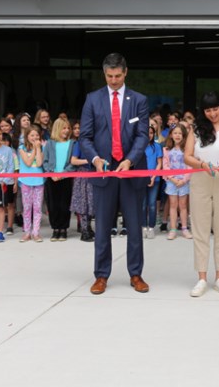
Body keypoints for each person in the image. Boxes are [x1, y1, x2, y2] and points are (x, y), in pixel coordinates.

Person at [79, 53, 151, 295]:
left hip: (131, 172)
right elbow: (85, 137)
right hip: (103, 173)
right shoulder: (92, 99)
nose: (113, 80)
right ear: (104, 74)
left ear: (125, 72)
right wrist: (95, 159)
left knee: (134, 225)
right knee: (102, 227)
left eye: (118, 76)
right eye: (109, 76)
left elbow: (143, 135)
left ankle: (136, 274)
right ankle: (101, 275)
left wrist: (130, 160)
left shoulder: (139, 100)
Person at [183, 92, 219, 297]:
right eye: (208, 110)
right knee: (200, 229)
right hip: (200, 179)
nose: (212, 113)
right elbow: (187, 156)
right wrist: (201, 164)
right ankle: (201, 278)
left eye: (215, 108)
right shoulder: (196, 129)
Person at [163, 124, 192, 241]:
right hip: (171, 181)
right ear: (171, 135)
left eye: (180, 133)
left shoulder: (187, 149)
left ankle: (184, 228)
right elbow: (165, 165)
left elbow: (190, 166)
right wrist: (173, 178)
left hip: (184, 181)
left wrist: (184, 179)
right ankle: (173, 229)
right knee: (173, 205)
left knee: (183, 206)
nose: (177, 135)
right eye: (175, 133)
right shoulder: (166, 150)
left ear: (184, 135)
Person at [18, 127, 46, 243]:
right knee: (27, 207)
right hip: (26, 181)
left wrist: (38, 148)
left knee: (37, 207)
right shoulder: (21, 148)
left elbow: (39, 163)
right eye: (32, 135)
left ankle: (36, 232)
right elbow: (28, 163)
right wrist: (35, 149)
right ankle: (27, 232)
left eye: (36, 135)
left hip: (39, 181)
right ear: (27, 137)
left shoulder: (43, 147)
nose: (34, 138)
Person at [68, 121, 95, 242]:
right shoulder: (79, 143)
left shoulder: (97, 143)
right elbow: (73, 160)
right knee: (83, 203)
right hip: (83, 175)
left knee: (91, 203)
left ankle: (89, 227)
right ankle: (84, 231)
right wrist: (88, 160)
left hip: (94, 175)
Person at [143, 122, 163, 239]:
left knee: (151, 204)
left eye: (151, 133)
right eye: (146, 133)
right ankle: (143, 226)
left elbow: (159, 163)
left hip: (154, 180)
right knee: (142, 205)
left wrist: (153, 177)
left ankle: (151, 227)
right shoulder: (139, 146)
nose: (149, 135)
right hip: (141, 180)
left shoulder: (157, 146)